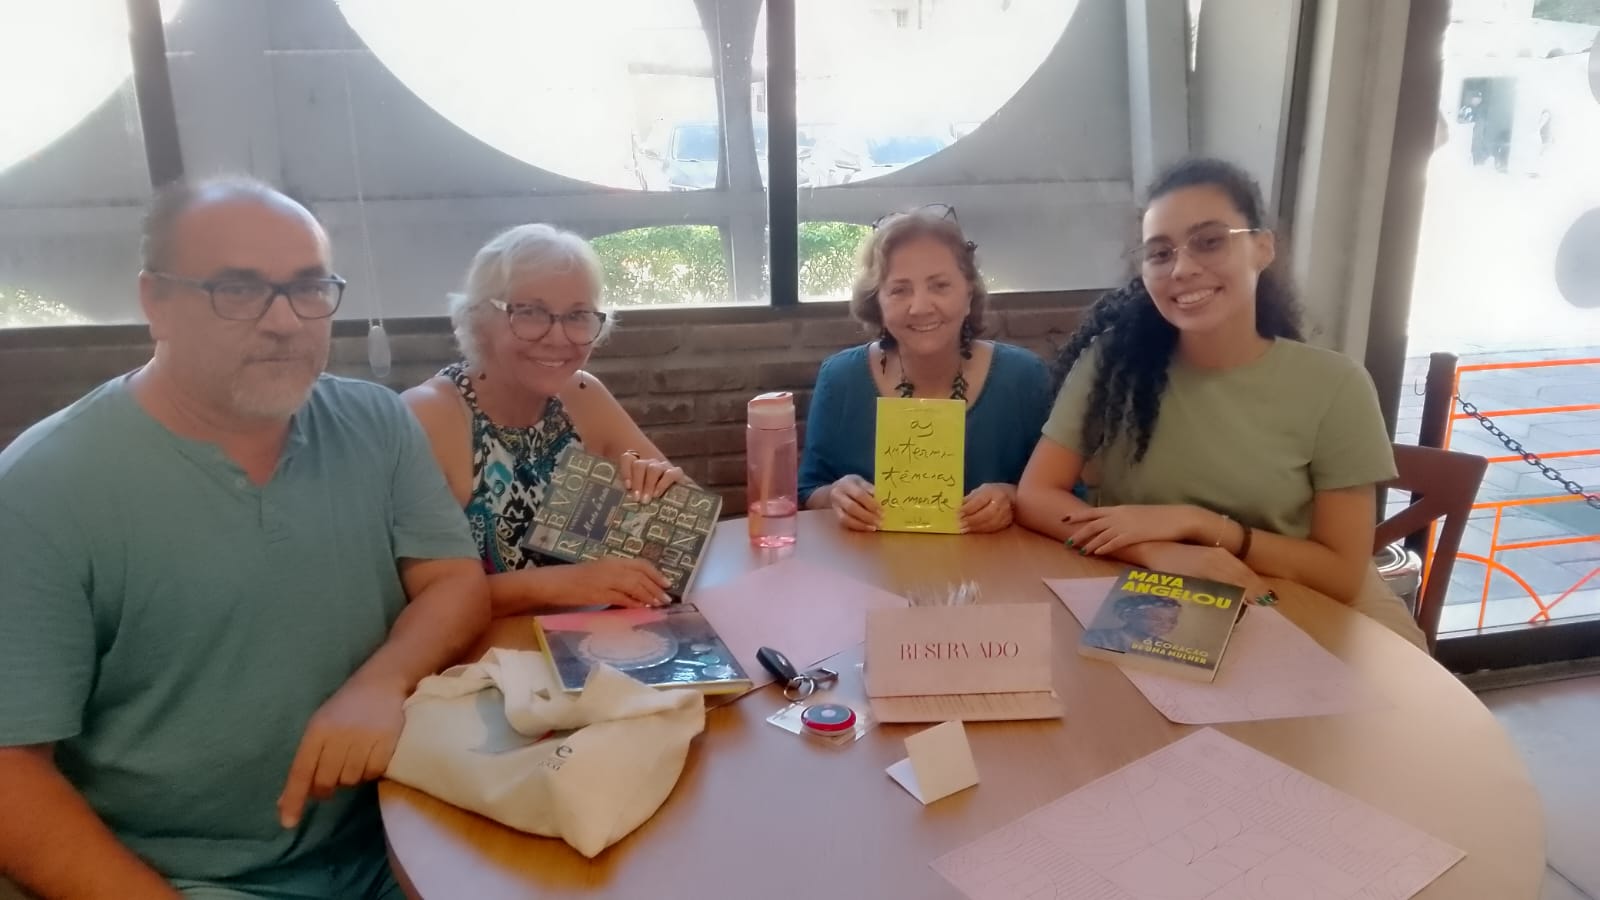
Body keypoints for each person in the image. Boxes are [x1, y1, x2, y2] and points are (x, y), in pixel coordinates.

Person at [0, 177, 491, 899]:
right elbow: (11, 772)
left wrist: (381, 681)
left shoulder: (376, 424)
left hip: (400, 830)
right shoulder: (42, 490)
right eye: (237, 289)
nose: (284, 321)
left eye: (309, 287)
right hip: (185, 878)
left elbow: (452, 580)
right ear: (155, 301)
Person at [1015, 158, 1425, 649]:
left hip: (1301, 602)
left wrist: (1204, 526)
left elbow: (1341, 573)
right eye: (1160, 253)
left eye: (1209, 241)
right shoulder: (1112, 365)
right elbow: (1036, 495)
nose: (1183, 268)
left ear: (1262, 247)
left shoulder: (1336, 385)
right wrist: (1159, 551)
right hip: (1157, 598)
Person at [404, 224, 687, 614]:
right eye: (531, 312)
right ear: (479, 317)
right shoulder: (429, 415)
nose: (558, 338)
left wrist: (657, 494)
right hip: (477, 646)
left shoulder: (583, 395)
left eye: (578, 315)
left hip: (586, 638)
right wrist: (567, 584)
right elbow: (418, 595)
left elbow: (685, 531)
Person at [798, 204, 1054, 533]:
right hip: (870, 561)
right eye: (899, 290)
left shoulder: (1024, 377)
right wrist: (837, 495)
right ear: (877, 302)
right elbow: (807, 491)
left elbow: (1064, 495)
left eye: (940, 285)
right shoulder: (840, 378)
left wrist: (1012, 497)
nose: (920, 307)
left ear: (969, 293)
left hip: (998, 562)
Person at [1081, 595, 1182, 653]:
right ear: (1128, 617)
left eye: (1172, 620)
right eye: (1155, 618)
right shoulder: (1099, 638)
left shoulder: (1167, 648)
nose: (1166, 624)